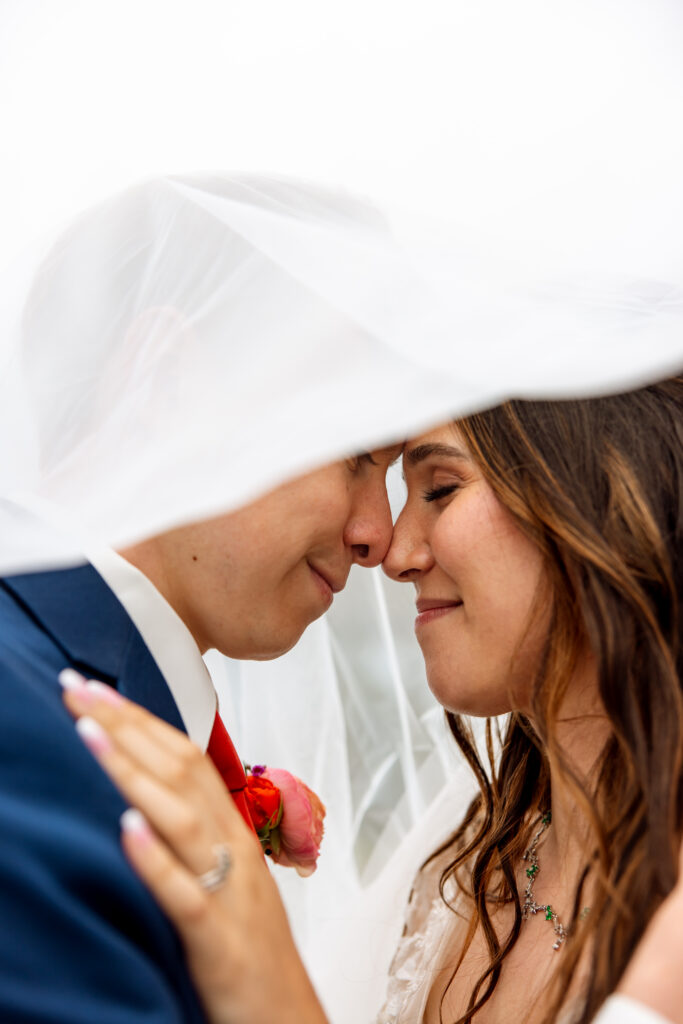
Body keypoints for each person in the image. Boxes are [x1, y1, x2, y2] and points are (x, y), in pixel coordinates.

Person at [60, 378, 683, 1024]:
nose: (394, 554)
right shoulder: (453, 870)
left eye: (441, 489)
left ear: (603, 493)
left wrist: (272, 991)